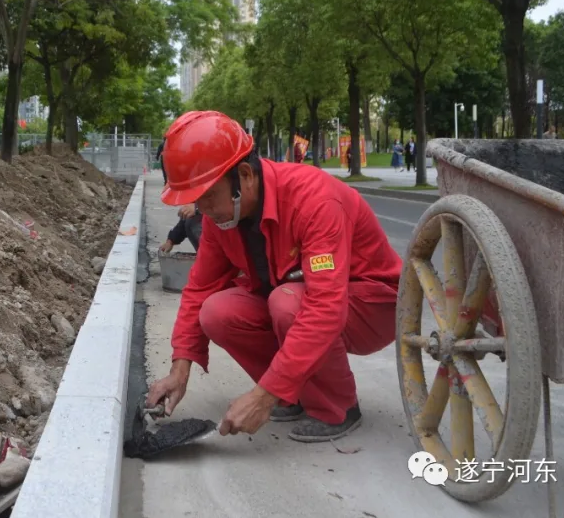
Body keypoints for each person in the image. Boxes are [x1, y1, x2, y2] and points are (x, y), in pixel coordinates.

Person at [146, 110, 401, 442]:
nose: (204, 210)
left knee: (287, 303)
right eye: (197, 201)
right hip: (299, 296)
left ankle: (337, 408)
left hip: (372, 305)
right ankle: (292, 394)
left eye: (209, 196)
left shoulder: (314, 200)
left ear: (245, 176)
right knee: (217, 312)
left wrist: (262, 396)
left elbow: (324, 308)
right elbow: (198, 291)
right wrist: (178, 371)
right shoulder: (221, 219)